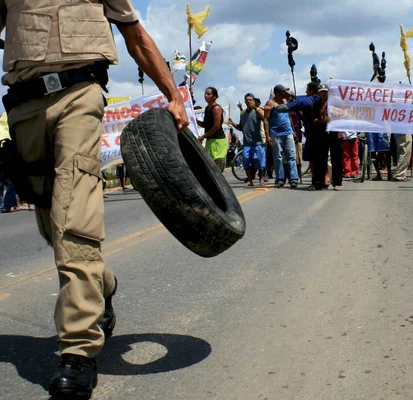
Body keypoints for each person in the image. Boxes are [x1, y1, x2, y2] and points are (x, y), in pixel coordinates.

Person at [0, 2, 189, 398]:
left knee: (73, 216)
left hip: (79, 96)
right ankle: (102, 285)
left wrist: (173, 94)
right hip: (24, 106)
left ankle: (78, 348)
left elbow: (135, 36)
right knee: (52, 224)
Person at [264, 84, 299, 188]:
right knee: (278, 157)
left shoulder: (285, 101)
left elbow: (289, 117)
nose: (285, 93)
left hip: (288, 132)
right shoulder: (270, 103)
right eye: (283, 91)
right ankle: (280, 179)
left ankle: (293, 179)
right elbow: (266, 120)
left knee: (291, 156)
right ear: (278, 93)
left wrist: (293, 130)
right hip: (275, 134)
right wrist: (267, 135)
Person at [229, 93, 267, 187]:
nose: (248, 101)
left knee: (259, 160)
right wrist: (232, 123)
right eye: (247, 100)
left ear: (253, 101)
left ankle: (261, 178)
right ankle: (250, 180)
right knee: (246, 162)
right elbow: (241, 127)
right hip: (247, 143)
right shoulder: (242, 114)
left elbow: (264, 119)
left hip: (258, 141)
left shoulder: (258, 111)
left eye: (250, 100)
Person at [198, 87, 227, 171]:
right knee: (209, 164)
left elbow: (216, 126)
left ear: (214, 96)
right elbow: (205, 125)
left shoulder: (216, 108)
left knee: (214, 166)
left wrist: (203, 136)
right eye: (205, 94)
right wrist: (195, 120)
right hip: (210, 140)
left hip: (217, 140)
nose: (206, 96)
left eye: (208, 94)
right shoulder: (207, 108)